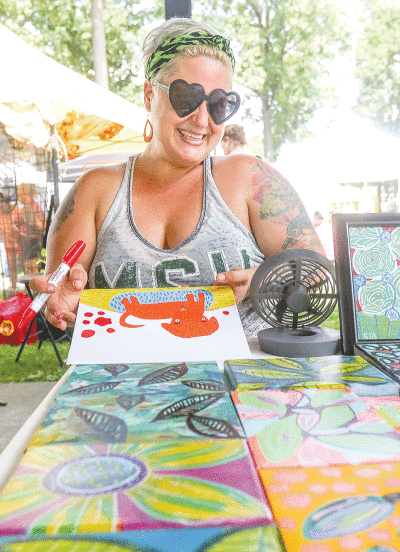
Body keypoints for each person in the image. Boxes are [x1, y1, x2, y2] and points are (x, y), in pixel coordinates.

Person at [30, 18, 324, 338]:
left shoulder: (250, 180)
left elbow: (321, 274)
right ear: (148, 95)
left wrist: (265, 279)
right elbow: (59, 295)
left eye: (218, 104)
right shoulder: (93, 191)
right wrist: (59, 302)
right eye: (186, 98)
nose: (201, 120)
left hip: (243, 381)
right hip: (126, 381)